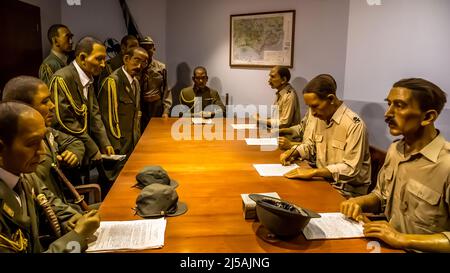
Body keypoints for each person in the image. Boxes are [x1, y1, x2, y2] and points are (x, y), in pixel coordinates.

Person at [340, 78, 450, 252]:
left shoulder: (446, 165)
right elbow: (381, 196)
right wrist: (358, 202)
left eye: (399, 105)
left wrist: (403, 239)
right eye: (389, 104)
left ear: (428, 117)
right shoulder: (395, 150)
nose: (388, 113)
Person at [0, 102, 100, 253]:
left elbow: (54, 207)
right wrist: (78, 235)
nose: (42, 150)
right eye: (32, 143)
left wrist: (74, 221)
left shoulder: (24, 176)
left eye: (43, 139)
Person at [281, 74, 371, 197]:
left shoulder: (354, 124)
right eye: (309, 107)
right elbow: (311, 146)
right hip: (323, 182)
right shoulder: (320, 117)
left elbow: (350, 169)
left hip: (347, 191)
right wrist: (293, 152)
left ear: (331, 99)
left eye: (315, 106)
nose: (312, 113)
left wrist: (314, 172)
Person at [2, 76, 85, 209]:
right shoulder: (16, 158)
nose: (52, 106)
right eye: (45, 102)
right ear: (23, 107)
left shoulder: (45, 130)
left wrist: (73, 154)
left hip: (62, 207)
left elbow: (74, 142)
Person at [49, 36, 114, 168]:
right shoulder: (62, 78)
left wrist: (104, 142)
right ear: (83, 58)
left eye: (104, 59)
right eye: (99, 59)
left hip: (84, 147)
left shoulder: (88, 78)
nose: (103, 64)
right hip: (68, 149)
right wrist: (92, 147)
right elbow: (65, 121)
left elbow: (94, 114)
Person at [98, 47, 148, 157]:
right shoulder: (112, 83)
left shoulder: (135, 83)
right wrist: (114, 146)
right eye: (136, 60)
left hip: (132, 143)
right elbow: (106, 119)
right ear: (126, 59)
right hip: (117, 146)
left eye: (143, 62)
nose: (139, 66)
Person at [140, 36, 172, 129]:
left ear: (154, 49)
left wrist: (166, 111)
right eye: (143, 47)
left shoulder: (161, 67)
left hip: (156, 106)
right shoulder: (136, 67)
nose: (146, 50)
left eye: (149, 47)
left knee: (157, 130)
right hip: (141, 105)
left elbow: (167, 89)